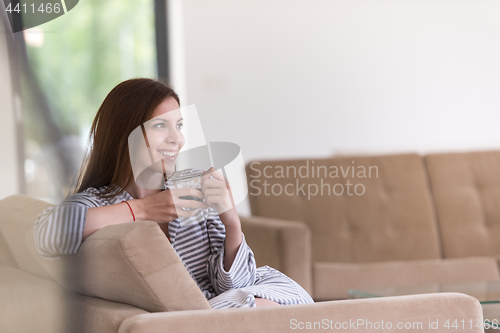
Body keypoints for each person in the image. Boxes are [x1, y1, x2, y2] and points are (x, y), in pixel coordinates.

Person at [34, 78, 314, 309]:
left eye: (179, 126)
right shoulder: (99, 201)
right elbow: (44, 236)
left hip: (226, 300)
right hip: (189, 314)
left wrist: (232, 223)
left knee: (287, 302)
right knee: (262, 310)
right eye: (160, 126)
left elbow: (237, 284)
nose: (177, 139)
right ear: (125, 134)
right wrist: (141, 210)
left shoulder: (191, 188)